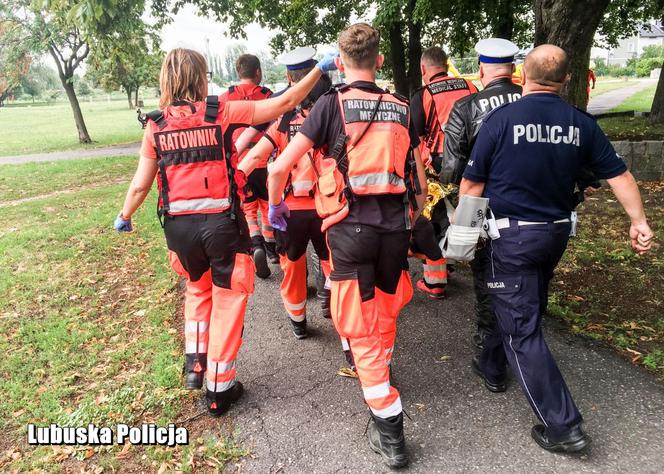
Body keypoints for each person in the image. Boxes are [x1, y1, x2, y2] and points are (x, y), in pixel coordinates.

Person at [113, 47, 338, 416]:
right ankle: (220, 388)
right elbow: (288, 101)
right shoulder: (221, 112)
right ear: (201, 78)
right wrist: (318, 69)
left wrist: (125, 215)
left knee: (198, 291)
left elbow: (140, 185)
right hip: (221, 226)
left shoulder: (155, 125)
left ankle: (195, 364)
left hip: (180, 232)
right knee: (228, 300)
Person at [460, 44, 654, 453]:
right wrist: (638, 221)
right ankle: (491, 362)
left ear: (522, 76)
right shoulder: (580, 122)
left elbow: (472, 185)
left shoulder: (500, 120)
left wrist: (462, 236)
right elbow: (619, 175)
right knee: (518, 303)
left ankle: (563, 427)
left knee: (522, 325)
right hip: (555, 235)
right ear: (567, 79)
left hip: (511, 238)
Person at [267, 23, 427, 468]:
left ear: (339, 63)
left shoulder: (327, 106)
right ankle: (382, 370)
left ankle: (390, 426)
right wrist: (415, 217)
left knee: (358, 327)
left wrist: (276, 210)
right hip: (395, 229)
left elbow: (279, 167)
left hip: (349, 231)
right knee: (386, 308)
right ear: (379, 60)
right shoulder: (400, 106)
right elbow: (417, 180)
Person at [239, 47, 333, 339]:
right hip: (328, 208)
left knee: (292, 267)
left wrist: (235, 178)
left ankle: (298, 322)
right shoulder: (333, 113)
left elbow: (254, 157)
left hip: (289, 211)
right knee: (334, 263)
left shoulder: (282, 119)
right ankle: (334, 299)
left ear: (290, 79)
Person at [443, 38, 522, 349]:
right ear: (513, 69)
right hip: (539, 212)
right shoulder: (535, 100)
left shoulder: (465, 108)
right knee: (530, 282)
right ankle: (524, 342)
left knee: (489, 281)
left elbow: (452, 169)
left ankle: (491, 357)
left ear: (480, 70)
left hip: (488, 210)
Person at [409, 46, 478, 299]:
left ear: (423, 69)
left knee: (436, 219)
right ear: (447, 65)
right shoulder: (470, 88)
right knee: (470, 214)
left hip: (438, 167)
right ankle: (471, 261)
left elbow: (413, 139)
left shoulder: (424, 94)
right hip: (473, 164)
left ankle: (436, 282)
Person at [220, 54, 276, 279]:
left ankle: (256, 244)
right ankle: (272, 248)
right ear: (258, 72)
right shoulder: (268, 96)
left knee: (248, 206)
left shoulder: (225, 99)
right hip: (265, 160)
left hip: (239, 163)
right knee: (267, 204)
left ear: (237, 72)